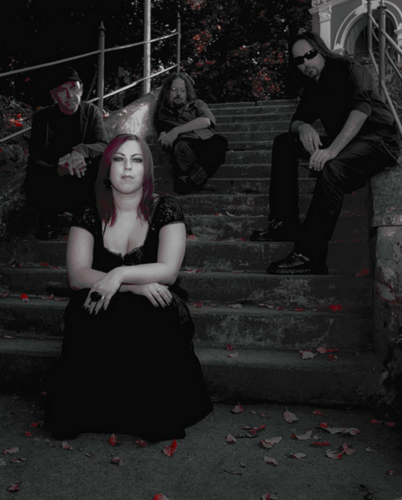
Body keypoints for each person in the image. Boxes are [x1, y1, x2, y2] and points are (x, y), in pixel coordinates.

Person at [45, 133, 213, 441]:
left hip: (153, 297)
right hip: (115, 293)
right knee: (86, 308)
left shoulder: (166, 208)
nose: (127, 167)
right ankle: (92, 411)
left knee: (156, 308)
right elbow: (77, 275)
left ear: (146, 169)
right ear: (107, 168)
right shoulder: (89, 211)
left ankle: (150, 414)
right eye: (119, 160)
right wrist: (131, 286)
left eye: (136, 160)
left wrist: (120, 273)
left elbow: (168, 271)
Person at [250, 32, 400, 275]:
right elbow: (295, 121)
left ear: (321, 50)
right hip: (349, 143)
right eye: (299, 60)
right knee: (284, 143)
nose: (306, 63)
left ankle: (310, 255)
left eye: (310, 55)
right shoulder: (313, 87)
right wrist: (304, 127)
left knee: (333, 167)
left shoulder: (349, 67)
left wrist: (332, 151)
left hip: (379, 140)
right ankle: (284, 223)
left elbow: (361, 110)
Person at [24, 66, 108, 239]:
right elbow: (34, 161)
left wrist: (80, 151)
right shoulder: (42, 119)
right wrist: (58, 169)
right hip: (55, 184)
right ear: (53, 95)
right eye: (62, 91)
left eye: (74, 88)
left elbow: (103, 145)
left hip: (82, 181)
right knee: (34, 175)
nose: (70, 95)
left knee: (105, 163)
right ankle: (48, 220)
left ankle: (86, 216)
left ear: (81, 89)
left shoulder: (91, 112)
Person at [153, 72, 228, 194]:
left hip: (204, 143)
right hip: (183, 145)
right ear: (167, 92)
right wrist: (164, 138)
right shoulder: (163, 114)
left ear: (187, 92)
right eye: (174, 90)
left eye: (182, 90)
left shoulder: (197, 104)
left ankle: (190, 180)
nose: (178, 94)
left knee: (220, 141)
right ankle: (193, 179)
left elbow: (206, 121)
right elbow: (163, 134)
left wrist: (177, 130)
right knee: (180, 147)